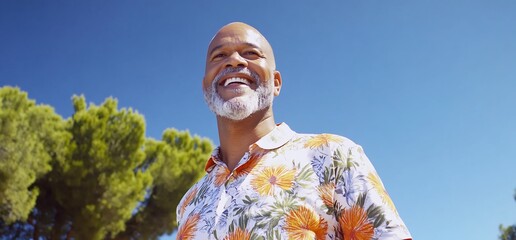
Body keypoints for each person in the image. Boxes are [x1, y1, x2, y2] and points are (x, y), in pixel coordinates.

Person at [176, 22, 412, 240]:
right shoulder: (189, 203)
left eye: (251, 53)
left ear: (276, 83)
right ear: (206, 85)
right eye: (220, 55)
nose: (234, 61)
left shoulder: (334, 156)